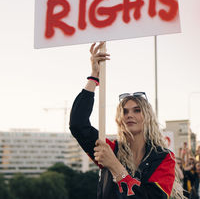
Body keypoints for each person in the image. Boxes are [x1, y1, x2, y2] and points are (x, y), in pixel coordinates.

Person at [69, 42, 185, 199]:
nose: (129, 115)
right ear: (119, 119)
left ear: (148, 117)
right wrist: (94, 76)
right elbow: (78, 124)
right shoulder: (109, 148)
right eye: (124, 111)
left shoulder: (163, 157)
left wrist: (115, 166)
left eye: (137, 110)